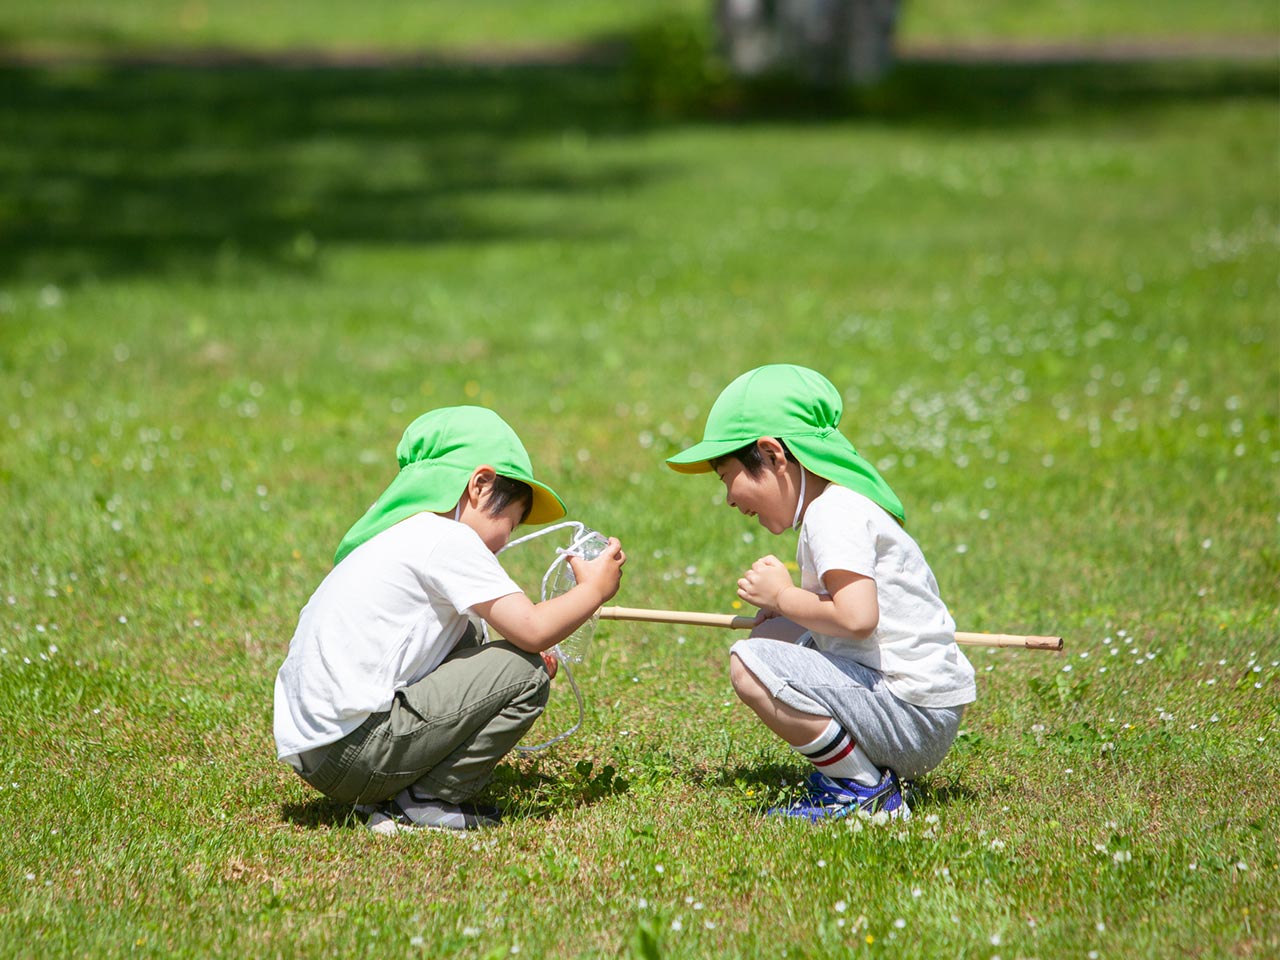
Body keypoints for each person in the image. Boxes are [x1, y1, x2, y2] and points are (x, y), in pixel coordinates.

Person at [273, 405, 625, 832]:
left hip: (318, 753)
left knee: (471, 631)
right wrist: (594, 590)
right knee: (525, 671)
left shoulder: (399, 534)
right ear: (479, 485)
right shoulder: (447, 538)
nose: (505, 541)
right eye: (511, 522)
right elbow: (533, 631)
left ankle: (390, 790)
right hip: (355, 754)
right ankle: (425, 799)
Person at [667, 364, 975, 821]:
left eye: (726, 476)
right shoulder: (838, 505)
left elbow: (857, 619)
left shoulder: (833, 514)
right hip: (920, 711)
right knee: (769, 640)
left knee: (748, 665)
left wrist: (782, 596)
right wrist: (789, 616)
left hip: (914, 718)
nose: (729, 497)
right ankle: (861, 775)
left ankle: (863, 790)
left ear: (772, 454)